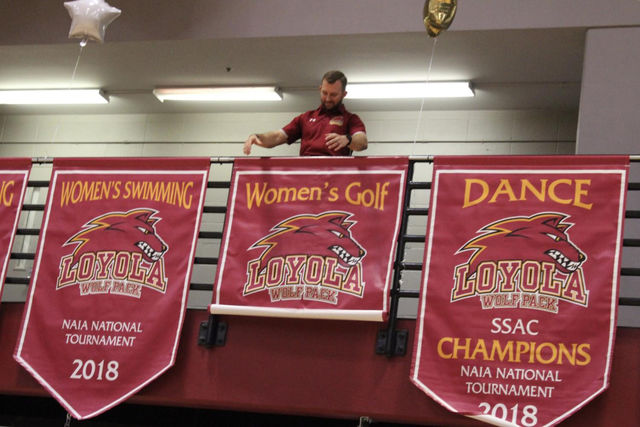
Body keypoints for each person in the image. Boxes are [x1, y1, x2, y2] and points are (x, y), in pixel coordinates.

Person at [243, 70, 368, 156]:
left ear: (343, 94)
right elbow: (278, 136)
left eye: (333, 94)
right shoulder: (305, 118)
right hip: (306, 183)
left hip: (335, 182)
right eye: (324, 93)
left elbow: (362, 141)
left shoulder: (351, 119)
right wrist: (257, 137)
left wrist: (348, 139)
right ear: (320, 89)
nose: (328, 98)